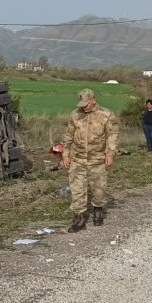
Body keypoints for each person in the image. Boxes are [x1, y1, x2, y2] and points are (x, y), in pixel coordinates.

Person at [62, 89, 119, 233]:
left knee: (99, 189)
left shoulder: (106, 115)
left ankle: (98, 210)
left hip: (97, 159)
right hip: (78, 158)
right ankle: (79, 219)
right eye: (81, 104)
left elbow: (112, 135)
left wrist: (110, 153)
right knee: (77, 190)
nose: (83, 107)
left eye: (86, 104)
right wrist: (65, 154)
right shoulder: (75, 115)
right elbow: (68, 135)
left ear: (93, 100)